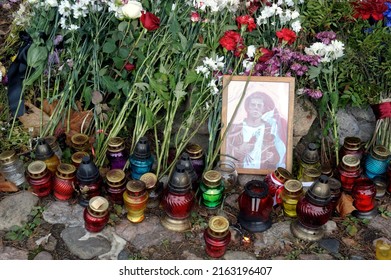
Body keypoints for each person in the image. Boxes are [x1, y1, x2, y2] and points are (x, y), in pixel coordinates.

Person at [225, 91, 287, 170]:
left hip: (261, 171)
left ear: (263, 108)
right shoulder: (235, 128)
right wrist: (239, 150)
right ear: (247, 107)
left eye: (259, 105)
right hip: (238, 171)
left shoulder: (269, 129)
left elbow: (276, 156)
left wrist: (271, 157)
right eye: (253, 105)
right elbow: (226, 152)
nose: (256, 108)